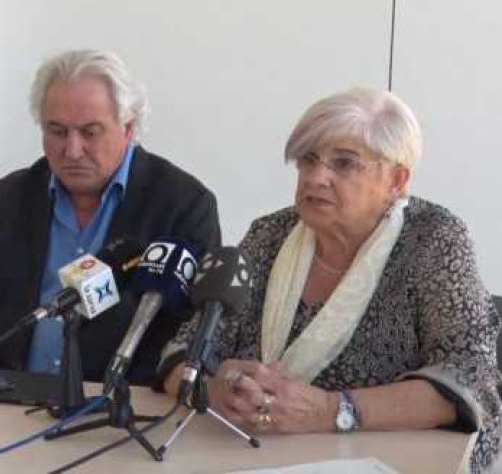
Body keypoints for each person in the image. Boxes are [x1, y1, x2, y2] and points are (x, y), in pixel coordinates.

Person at [159, 88, 500, 472]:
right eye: (309, 159)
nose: (316, 177)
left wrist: (332, 410)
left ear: (397, 180)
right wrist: (215, 391)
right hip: (258, 455)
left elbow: (471, 379)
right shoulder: (268, 235)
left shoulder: (433, 239)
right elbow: (182, 352)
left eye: (344, 163)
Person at [0, 49, 221, 385]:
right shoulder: (13, 196)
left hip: (117, 402)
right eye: (57, 131)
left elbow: (184, 332)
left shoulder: (182, 204)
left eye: (90, 132)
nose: (72, 151)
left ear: (128, 128)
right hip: (10, 397)